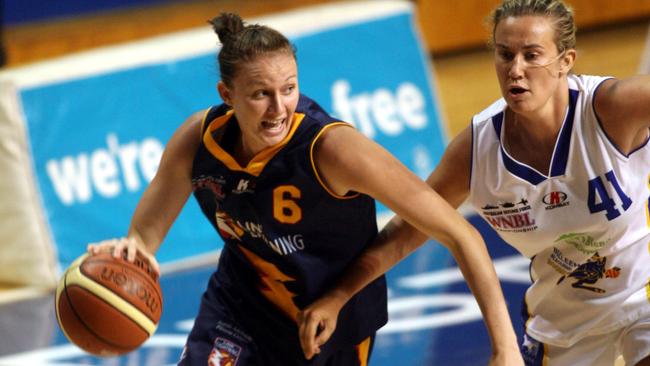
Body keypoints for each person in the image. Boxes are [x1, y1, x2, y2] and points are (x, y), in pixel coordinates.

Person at [88, 12, 522, 366]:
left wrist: (505, 349)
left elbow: (460, 233)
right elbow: (143, 240)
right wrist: (130, 254)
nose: (279, 108)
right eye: (261, 94)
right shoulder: (197, 141)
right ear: (227, 94)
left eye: (289, 89)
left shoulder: (333, 150)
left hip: (329, 324)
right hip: (241, 305)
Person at [298, 0, 650, 365]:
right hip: (563, 321)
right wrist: (338, 295)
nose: (516, 69)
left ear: (566, 61)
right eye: (505, 54)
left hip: (643, 295)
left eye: (532, 55)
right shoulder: (476, 150)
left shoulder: (612, 108)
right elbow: (408, 230)